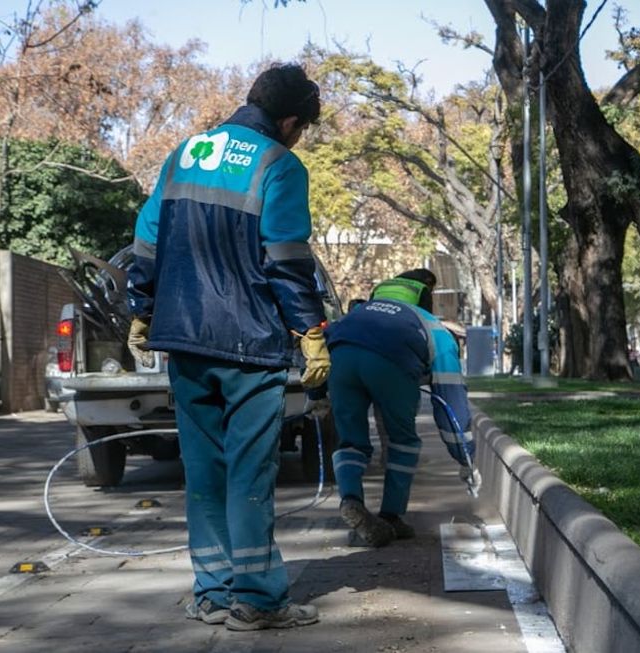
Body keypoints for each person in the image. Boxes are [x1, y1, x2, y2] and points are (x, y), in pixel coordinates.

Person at [126, 63, 329, 631]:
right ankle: (259, 602)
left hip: (184, 341)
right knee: (248, 476)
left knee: (205, 473)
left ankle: (212, 594)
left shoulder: (185, 153)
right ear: (288, 120)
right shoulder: (279, 165)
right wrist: (310, 333)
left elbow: (146, 241)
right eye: (301, 128)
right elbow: (286, 259)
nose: (298, 138)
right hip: (249, 345)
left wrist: (141, 310)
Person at [326, 269, 477, 547]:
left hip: (340, 355)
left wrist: (315, 395)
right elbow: (450, 399)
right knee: (403, 441)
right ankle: (391, 515)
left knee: (350, 441)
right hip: (391, 365)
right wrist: (464, 456)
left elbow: (325, 345)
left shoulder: (358, 313)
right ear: (425, 300)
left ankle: (351, 499)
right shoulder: (433, 327)